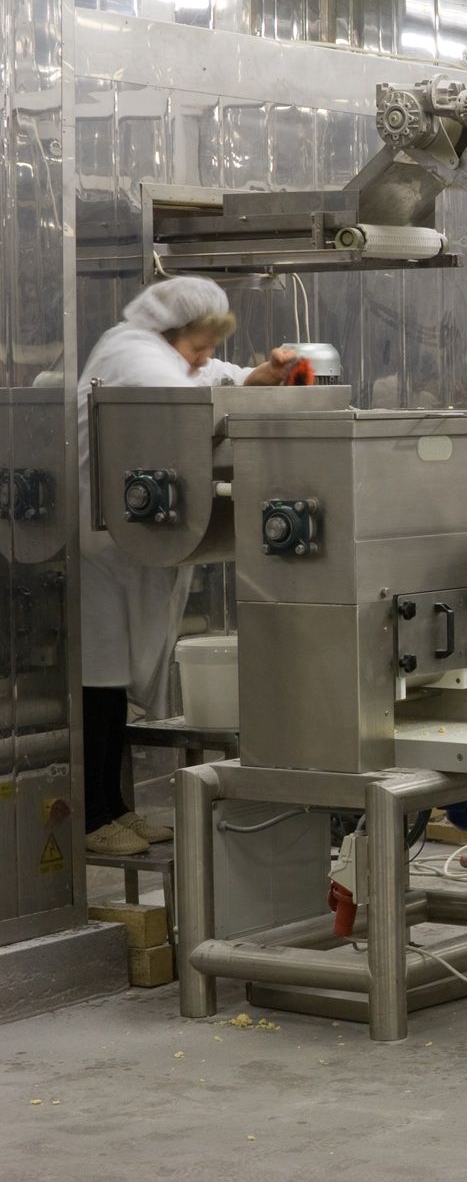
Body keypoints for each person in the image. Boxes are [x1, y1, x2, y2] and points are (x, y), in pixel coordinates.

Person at [78, 277, 296, 856]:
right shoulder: (133, 355)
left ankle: (113, 807)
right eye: (198, 346)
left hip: (127, 546)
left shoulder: (161, 354)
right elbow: (188, 401)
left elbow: (207, 375)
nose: (205, 358)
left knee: (112, 684)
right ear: (170, 331)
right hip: (99, 546)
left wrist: (255, 377)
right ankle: (91, 815)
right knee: (97, 683)